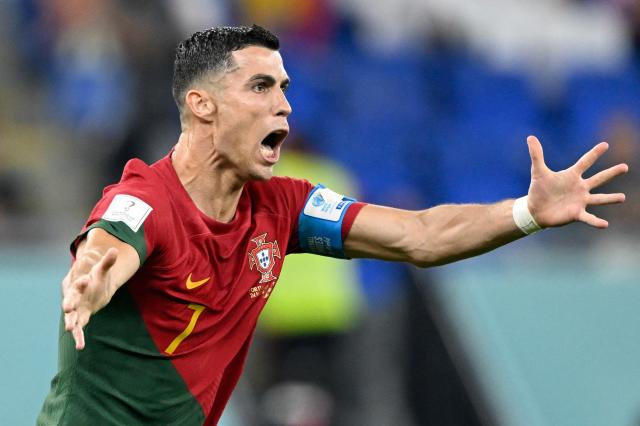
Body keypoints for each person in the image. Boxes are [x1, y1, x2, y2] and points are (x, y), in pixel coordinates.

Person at [37, 24, 628, 425]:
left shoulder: (286, 206)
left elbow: (419, 235)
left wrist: (525, 212)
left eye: (285, 89)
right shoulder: (147, 198)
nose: (285, 106)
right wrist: (93, 273)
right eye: (261, 87)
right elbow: (113, 238)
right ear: (202, 104)